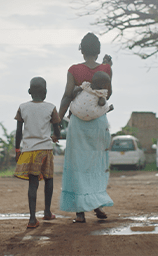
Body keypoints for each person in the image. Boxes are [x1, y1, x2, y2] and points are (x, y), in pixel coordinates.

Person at [58, 32, 114, 223]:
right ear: (98, 51)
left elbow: (67, 96)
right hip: (98, 123)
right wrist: (109, 69)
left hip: (78, 123)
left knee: (77, 166)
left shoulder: (73, 69)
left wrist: (58, 119)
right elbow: (108, 94)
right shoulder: (106, 68)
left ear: (81, 50)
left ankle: (79, 213)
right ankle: (97, 205)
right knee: (95, 165)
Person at [13, 76, 61, 229]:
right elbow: (57, 131)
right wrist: (55, 137)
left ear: (29, 91)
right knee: (49, 179)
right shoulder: (51, 107)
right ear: (45, 92)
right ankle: (47, 212)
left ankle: (32, 219)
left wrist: (17, 149)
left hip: (28, 150)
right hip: (45, 150)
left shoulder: (23, 107)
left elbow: (18, 132)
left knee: (33, 184)